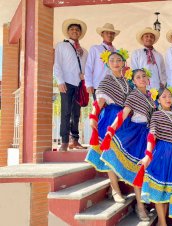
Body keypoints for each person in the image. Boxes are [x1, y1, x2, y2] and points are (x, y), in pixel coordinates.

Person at [100, 69, 156, 221]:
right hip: (136, 135)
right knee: (138, 171)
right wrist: (110, 132)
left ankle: (143, 203)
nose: (142, 79)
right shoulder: (134, 95)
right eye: (138, 77)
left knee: (146, 172)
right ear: (134, 81)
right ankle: (139, 206)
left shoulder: (151, 97)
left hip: (149, 136)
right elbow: (123, 114)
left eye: (144, 76)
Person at [86, 49, 130, 203]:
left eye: (118, 60)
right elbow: (100, 101)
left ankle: (119, 186)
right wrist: (93, 115)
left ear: (123, 62)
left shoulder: (127, 82)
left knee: (120, 153)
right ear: (108, 64)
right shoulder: (106, 80)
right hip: (110, 117)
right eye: (112, 61)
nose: (116, 63)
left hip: (124, 119)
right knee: (110, 152)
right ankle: (115, 189)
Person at [135, 87, 172, 226]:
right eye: (164, 96)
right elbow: (152, 134)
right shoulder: (157, 115)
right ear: (158, 100)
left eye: (169, 96)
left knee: (167, 190)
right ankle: (163, 223)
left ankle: (161, 221)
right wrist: (148, 155)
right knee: (159, 190)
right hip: (162, 153)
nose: (168, 99)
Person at [54, 19, 88, 151]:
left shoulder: (84, 51)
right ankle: (64, 141)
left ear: (80, 33)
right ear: (68, 32)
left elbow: (87, 68)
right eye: (72, 29)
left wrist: (84, 76)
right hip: (66, 83)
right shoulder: (61, 46)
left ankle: (75, 139)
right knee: (66, 111)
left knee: (76, 113)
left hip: (79, 85)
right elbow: (57, 64)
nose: (75, 31)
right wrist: (60, 81)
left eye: (77, 30)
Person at [85, 23, 120, 100]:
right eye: (107, 33)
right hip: (99, 85)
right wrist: (88, 84)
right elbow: (88, 67)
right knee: (99, 110)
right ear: (102, 34)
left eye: (112, 33)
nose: (109, 35)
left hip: (114, 87)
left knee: (111, 110)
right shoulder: (95, 49)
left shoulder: (117, 52)